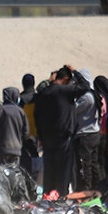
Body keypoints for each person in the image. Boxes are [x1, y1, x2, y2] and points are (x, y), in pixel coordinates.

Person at [33, 66, 87, 196]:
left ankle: (48, 198)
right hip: (64, 138)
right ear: (66, 80)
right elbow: (85, 86)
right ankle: (60, 199)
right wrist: (74, 71)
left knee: (49, 172)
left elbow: (37, 115)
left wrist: (40, 136)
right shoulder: (65, 90)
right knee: (62, 172)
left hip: (47, 138)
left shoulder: (44, 92)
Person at [72, 69, 104, 192]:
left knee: (85, 165)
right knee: (93, 164)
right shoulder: (93, 94)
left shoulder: (86, 97)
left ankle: (86, 191)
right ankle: (98, 189)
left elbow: (73, 110)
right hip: (94, 133)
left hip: (85, 135)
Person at [0, 86, 29, 166]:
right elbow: (26, 133)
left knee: (2, 174)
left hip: (1, 149)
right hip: (16, 149)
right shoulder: (20, 112)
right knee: (14, 174)